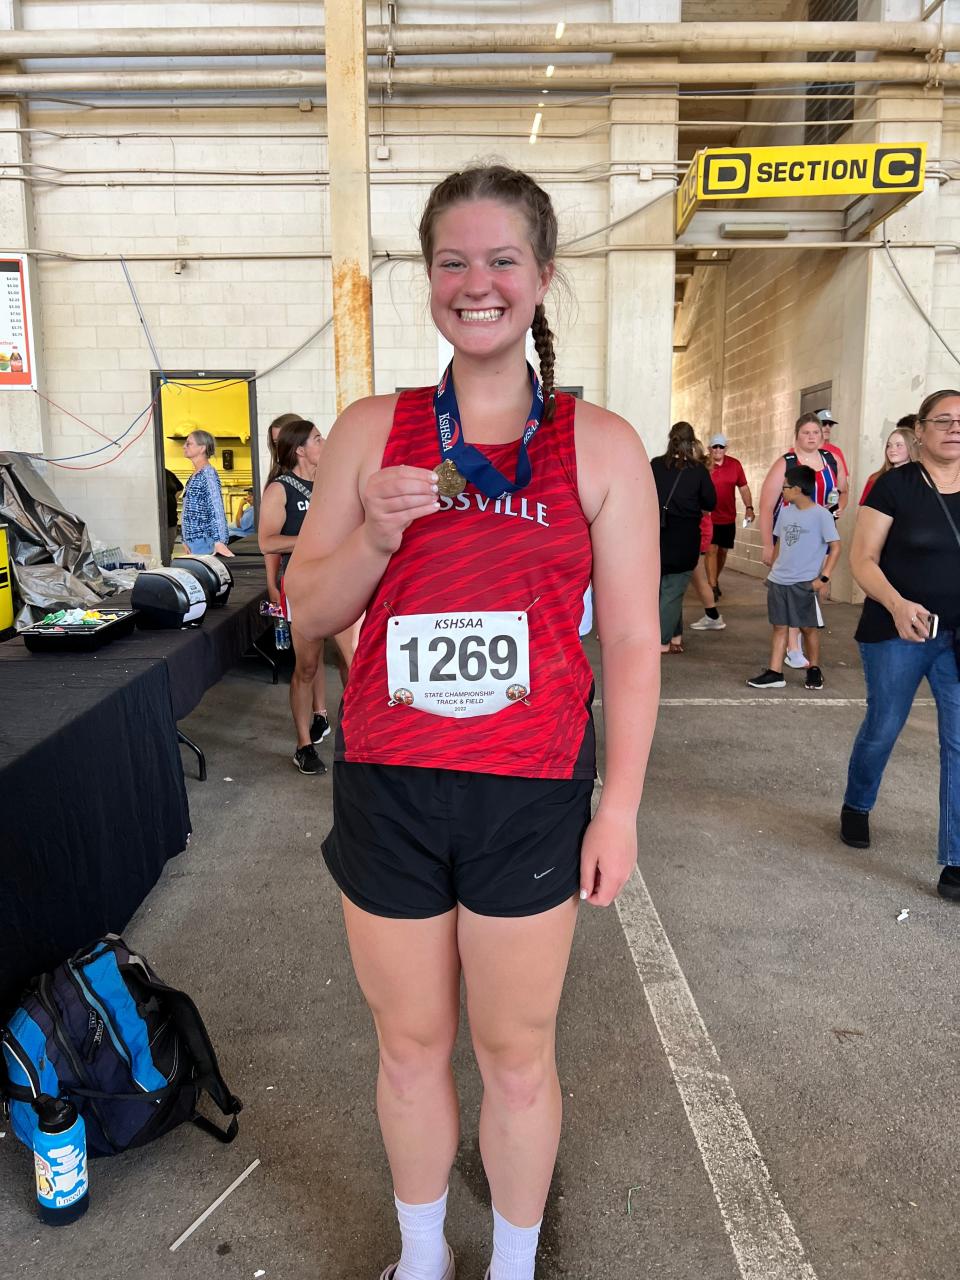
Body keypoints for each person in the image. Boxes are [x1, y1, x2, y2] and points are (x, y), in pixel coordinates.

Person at [285, 163, 660, 1280]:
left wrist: (622, 808)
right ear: (429, 279)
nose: (477, 282)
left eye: (503, 260)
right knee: (409, 1047)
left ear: (543, 279)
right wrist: (375, 536)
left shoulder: (599, 445)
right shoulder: (371, 431)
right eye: (453, 260)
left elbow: (633, 642)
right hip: (393, 788)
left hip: (531, 794)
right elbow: (306, 609)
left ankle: (507, 1261)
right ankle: (420, 1255)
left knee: (516, 1054)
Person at [840, 389, 960, 900]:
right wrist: (897, 605)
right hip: (900, 631)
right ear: (920, 432)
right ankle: (858, 803)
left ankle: (955, 860)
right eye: (945, 420)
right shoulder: (894, 489)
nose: (956, 428)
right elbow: (863, 559)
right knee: (884, 727)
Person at [258, 419, 330, 775]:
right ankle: (304, 745)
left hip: (339, 580)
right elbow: (267, 542)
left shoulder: (330, 481)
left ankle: (355, 735)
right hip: (303, 585)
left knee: (356, 661)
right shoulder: (280, 490)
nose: (325, 440)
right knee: (307, 667)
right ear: (300, 449)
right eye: (318, 437)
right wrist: (275, 585)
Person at [758, 412, 845, 669]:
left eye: (815, 432)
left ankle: (799, 648)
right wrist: (767, 544)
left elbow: (843, 491)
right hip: (793, 536)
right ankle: (793, 648)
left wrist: (840, 506)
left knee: (809, 591)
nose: (811, 437)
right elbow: (766, 505)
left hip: (820, 535)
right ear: (797, 435)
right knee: (794, 588)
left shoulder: (831, 460)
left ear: (822, 435)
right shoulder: (786, 462)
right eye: (806, 433)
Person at [747, 465, 840, 691]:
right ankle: (775, 672)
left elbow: (835, 547)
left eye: (785, 487)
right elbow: (780, 542)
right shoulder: (786, 512)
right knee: (779, 627)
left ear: (798, 489)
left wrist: (823, 579)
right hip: (779, 581)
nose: (783, 491)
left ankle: (814, 669)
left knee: (808, 628)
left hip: (804, 583)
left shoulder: (822, 515)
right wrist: (773, 571)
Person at [651, 421, 716, 654]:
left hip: (658, 535)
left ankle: (675, 637)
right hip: (686, 537)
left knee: (668, 588)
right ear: (693, 441)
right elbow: (710, 503)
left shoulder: (656, 465)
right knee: (672, 590)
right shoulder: (698, 471)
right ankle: (661, 641)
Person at [700, 432, 753, 610]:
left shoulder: (735, 465)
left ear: (726, 448)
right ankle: (712, 586)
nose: (717, 450)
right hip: (708, 517)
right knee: (711, 550)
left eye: (721, 447)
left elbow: (744, 488)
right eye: (714, 446)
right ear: (709, 449)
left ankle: (715, 579)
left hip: (727, 517)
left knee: (722, 552)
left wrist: (749, 508)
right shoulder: (704, 464)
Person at [263, 412, 305, 607]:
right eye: (276, 442)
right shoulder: (278, 485)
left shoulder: (327, 474)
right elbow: (271, 543)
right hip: (296, 574)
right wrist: (272, 583)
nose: (282, 447)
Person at [180, 430, 234, 557]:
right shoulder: (195, 475)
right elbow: (188, 510)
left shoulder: (207, 474)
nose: (184, 446)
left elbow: (216, 508)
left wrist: (220, 541)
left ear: (202, 448)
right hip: (194, 542)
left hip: (204, 541)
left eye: (189, 444)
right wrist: (185, 539)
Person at [859, 419, 920, 505]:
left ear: (911, 448)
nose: (892, 449)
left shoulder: (922, 481)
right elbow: (862, 512)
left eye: (899, 445)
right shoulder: (875, 479)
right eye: (889, 445)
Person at [815, 409, 850, 512]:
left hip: (827, 511)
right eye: (823, 423)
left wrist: (839, 508)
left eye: (830, 424)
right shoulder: (799, 450)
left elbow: (844, 488)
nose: (827, 427)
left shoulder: (836, 452)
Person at [162, 467, 183, 565]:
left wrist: (173, 500)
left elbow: (180, 488)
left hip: (171, 520)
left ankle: (167, 566)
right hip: (157, 521)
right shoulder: (150, 474)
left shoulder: (168, 474)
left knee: (169, 550)